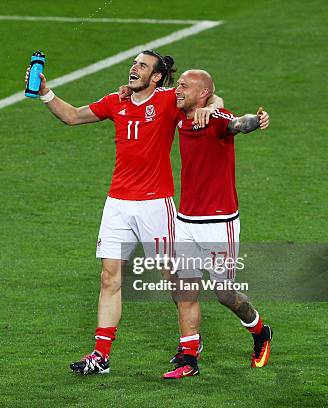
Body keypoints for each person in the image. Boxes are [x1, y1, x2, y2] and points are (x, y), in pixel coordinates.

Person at [25, 51, 224, 375]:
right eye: (134, 63)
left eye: (142, 65)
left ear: (157, 77)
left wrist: (212, 108)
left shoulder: (166, 102)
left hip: (155, 204)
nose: (134, 68)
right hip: (117, 203)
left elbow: (210, 97)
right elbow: (73, 116)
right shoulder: (114, 101)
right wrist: (46, 92)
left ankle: (190, 345)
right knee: (109, 277)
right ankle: (101, 355)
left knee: (173, 277)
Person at [162, 69, 272, 379]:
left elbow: (239, 123)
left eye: (185, 86)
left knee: (224, 293)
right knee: (183, 287)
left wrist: (255, 121)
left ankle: (260, 332)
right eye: (178, 83)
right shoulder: (179, 111)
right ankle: (189, 356)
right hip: (185, 219)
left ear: (203, 94)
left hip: (219, 221)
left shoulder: (216, 118)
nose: (178, 89)